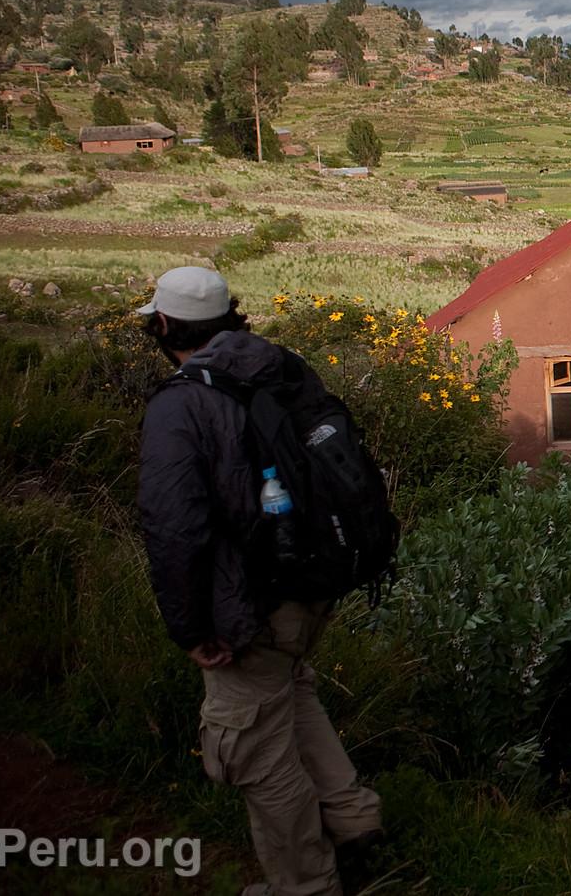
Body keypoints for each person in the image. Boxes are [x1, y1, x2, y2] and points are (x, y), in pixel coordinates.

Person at [135, 265, 383, 896]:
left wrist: (190, 628)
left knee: (253, 750)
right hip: (315, 580)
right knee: (288, 693)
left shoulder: (181, 404)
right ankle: (353, 820)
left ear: (162, 325)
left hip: (256, 599)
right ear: (230, 317)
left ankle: (305, 884)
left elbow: (175, 528)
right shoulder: (278, 367)